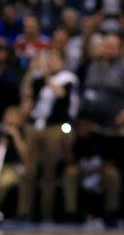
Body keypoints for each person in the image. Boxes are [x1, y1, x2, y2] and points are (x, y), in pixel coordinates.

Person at [19, 48, 79, 221]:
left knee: (48, 172)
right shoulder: (39, 79)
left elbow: (60, 94)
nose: (50, 62)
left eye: (54, 59)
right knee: (28, 171)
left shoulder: (67, 78)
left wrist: (47, 77)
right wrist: (32, 72)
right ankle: (24, 212)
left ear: (62, 62)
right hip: (36, 126)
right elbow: (28, 97)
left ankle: (46, 213)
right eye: (49, 59)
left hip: (56, 127)